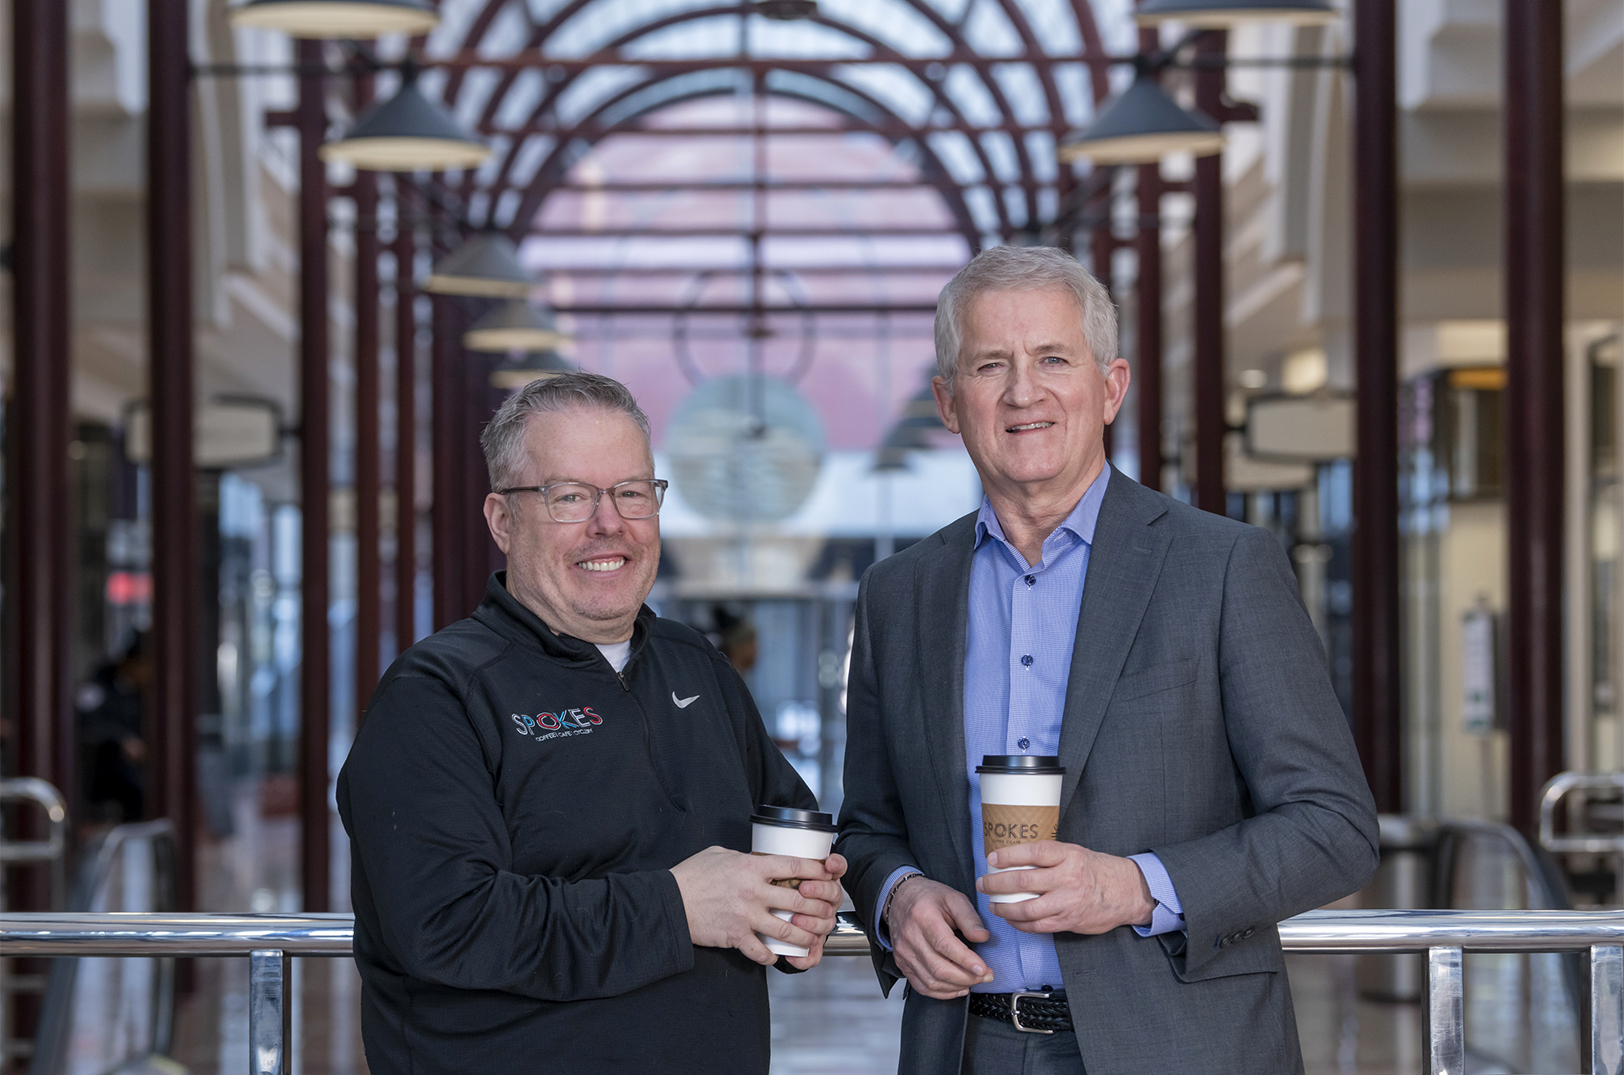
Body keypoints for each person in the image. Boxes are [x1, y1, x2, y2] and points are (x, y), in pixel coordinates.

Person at [835, 246, 1379, 1074]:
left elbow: (1334, 827)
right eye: (991, 365)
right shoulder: (896, 595)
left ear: (1111, 386)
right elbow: (870, 824)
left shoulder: (1223, 567)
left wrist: (1134, 885)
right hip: (965, 1045)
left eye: (1054, 358)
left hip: (1179, 1045)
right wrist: (895, 895)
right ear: (949, 401)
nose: (1025, 391)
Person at [338, 372, 846, 1075]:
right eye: (569, 495)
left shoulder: (695, 666)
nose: (608, 523)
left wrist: (800, 900)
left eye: (632, 492)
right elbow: (446, 925)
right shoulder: (436, 694)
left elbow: (784, 830)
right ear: (502, 519)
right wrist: (675, 907)